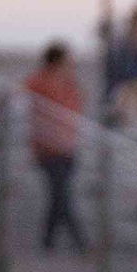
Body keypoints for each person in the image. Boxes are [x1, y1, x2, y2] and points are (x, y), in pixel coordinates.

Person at [22, 42, 88, 254]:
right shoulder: (40, 81)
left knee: (58, 196)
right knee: (61, 195)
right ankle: (80, 241)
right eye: (67, 60)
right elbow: (18, 95)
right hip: (48, 148)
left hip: (68, 147)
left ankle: (48, 240)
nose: (71, 64)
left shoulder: (70, 85)